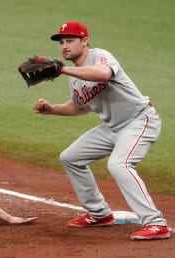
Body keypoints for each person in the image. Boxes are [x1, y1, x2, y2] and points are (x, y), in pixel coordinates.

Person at [33, 21, 169, 240]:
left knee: (119, 164)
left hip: (140, 120)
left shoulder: (99, 56)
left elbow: (104, 74)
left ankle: (156, 224)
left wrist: (63, 69)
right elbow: (79, 107)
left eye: (70, 40)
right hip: (113, 127)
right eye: (61, 42)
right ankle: (99, 214)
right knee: (70, 157)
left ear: (85, 41)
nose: (64, 46)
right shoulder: (75, 77)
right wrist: (51, 109)